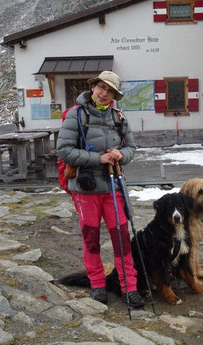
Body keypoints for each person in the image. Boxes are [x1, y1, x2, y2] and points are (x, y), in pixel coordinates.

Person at [57, 71, 145, 308]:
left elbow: (132, 148)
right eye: (101, 88)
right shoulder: (75, 116)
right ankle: (97, 285)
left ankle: (130, 287)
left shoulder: (119, 118)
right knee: (91, 239)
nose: (104, 94)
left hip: (113, 186)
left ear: (114, 96)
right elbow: (64, 150)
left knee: (121, 239)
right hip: (86, 190)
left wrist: (120, 154)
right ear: (93, 86)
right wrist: (99, 159)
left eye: (110, 91)